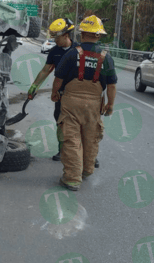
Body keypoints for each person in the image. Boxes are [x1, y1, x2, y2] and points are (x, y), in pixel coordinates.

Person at [51, 15, 117, 191]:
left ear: (82, 33)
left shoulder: (72, 53)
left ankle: (72, 179)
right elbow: (111, 85)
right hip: (94, 104)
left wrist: (54, 93)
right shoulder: (106, 57)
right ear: (98, 35)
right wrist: (110, 105)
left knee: (71, 139)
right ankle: (87, 170)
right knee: (90, 137)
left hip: (71, 102)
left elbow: (59, 77)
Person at [28, 18, 97, 164]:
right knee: (61, 122)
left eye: (57, 38)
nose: (55, 41)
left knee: (85, 124)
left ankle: (89, 155)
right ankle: (62, 150)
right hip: (61, 94)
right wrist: (34, 86)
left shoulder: (80, 50)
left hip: (79, 94)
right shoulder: (54, 52)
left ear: (66, 35)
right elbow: (46, 70)